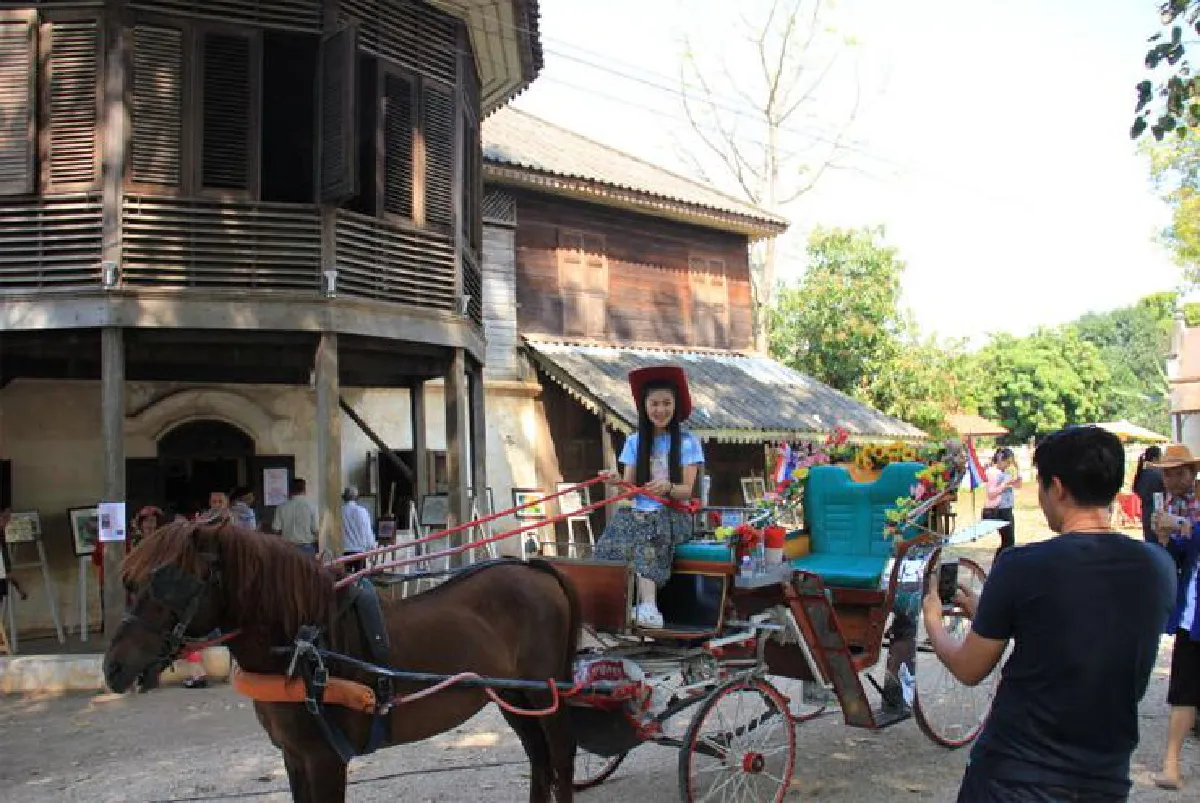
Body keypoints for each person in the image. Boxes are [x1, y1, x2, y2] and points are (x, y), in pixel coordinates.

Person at [924, 425, 1175, 802]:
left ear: (1056, 487)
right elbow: (1075, 630)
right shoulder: (1158, 566)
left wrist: (933, 623)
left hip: (1014, 777)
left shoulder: (1022, 565)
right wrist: (989, 615)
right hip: (1104, 780)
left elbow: (969, 668)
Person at [595, 365, 703, 629]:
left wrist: (667, 487)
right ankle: (610, 604)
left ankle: (649, 607)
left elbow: (687, 491)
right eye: (654, 403)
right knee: (613, 535)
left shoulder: (689, 442)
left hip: (674, 515)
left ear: (675, 406)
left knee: (648, 529)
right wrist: (615, 481)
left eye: (666, 403)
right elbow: (629, 491)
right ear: (644, 406)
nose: (660, 409)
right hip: (640, 512)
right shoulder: (634, 442)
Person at [1149, 443, 1200, 790]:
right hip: (1193, 611)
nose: (1168, 479)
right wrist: (1166, 538)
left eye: (1175, 472)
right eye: (1165, 472)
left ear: (1191, 473)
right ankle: (1171, 765)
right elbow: (1180, 556)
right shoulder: (1168, 504)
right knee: (1183, 688)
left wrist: (1181, 526)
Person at [983, 447, 1021, 559]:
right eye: (1008, 461)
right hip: (1000, 509)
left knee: (1008, 541)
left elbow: (1018, 485)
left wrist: (1016, 475)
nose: (1009, 464)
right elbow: (991, 493)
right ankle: (999, 564)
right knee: (1008, 541)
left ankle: (1000, 563)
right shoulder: (994, 473)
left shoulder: (1008, 472)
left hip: (1007, 507)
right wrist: (1005, 483)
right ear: (1000, 460)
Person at [271, 477, 319, 555]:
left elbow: (276, 530)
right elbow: (316, 530)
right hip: (306, 549)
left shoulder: (281, 507)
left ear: (291, 490)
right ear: (304, 489)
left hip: (287, 548)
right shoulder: (312, 506)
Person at [1133, 445, 1166, 544]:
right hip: (1159, 514)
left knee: (1151, 545)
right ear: (1155, 459)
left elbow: (1136, 490)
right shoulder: (1159, 474)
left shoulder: (1141, 474)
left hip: (1146, 513)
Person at [340, 485, 376, 574]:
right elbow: (367, 530)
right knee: (360, 578)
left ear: (344, 497)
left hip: (345, 551)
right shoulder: (362, 511)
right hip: (360, 551)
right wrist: (371, 546)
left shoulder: (340, 511)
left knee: (346, 579)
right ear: (356, 497)